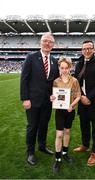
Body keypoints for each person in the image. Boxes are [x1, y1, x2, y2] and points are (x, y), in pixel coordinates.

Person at [20, 32, 59, 165]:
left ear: (53, 45)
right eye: (45, 41)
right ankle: (30, 152)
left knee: (44, 125)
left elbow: (55, 82)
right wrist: (25, 98)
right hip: (32, 100)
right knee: (32, 126)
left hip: (47, 101)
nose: (47, 43)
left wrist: (55, 94)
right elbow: (24, 79)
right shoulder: (31, 57)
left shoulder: (54, 60)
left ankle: (42, 146)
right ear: (40, 43)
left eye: (50, 42)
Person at [73, 40, 95, 166]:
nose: (87, 51)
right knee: (84, 126)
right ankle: (85, 145)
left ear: (94, 49)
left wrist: (89, 97)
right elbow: (76, 81)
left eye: (89, 48)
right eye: (84, 49)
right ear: (82, 50)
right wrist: (81, 96)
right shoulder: (79, 63)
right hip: (82, 101)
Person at [50, 57, 81, 173]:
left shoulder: (74, 81)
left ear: (70, 68)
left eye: (66, 68)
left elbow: (78, 95)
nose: (64, 70)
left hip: (70, 110)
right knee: (59, 134)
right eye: (62, 68)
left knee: (67, 131)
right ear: (59, 68)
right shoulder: (56, 81)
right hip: (59, 111)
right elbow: (54, 96)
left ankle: (65, 153)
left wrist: (71, 105)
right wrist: (52, 97)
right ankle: (57, 158)